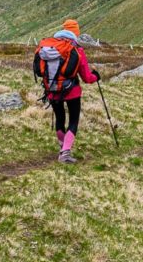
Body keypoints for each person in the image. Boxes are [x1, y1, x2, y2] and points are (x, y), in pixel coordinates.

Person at [33, 19, 99, 163]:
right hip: (72, 91)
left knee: (60, 118)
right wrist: (96, 77)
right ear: (76, 32)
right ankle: (65, 153)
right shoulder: (76, 50)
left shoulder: (49, 47)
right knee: (73, 120)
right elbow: (87, 78)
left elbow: (40, 71)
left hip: (51, 89)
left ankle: (63, 148)